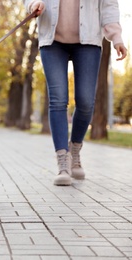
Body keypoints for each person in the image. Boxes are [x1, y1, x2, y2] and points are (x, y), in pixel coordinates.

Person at [24, 0, 128, 186]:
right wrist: (34, 4)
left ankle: (75, 150)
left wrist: (116, 37)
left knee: (86, 101)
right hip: (52, 41)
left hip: (88, 41)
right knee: (57, 99)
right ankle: (63, 162)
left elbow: (109, 5)